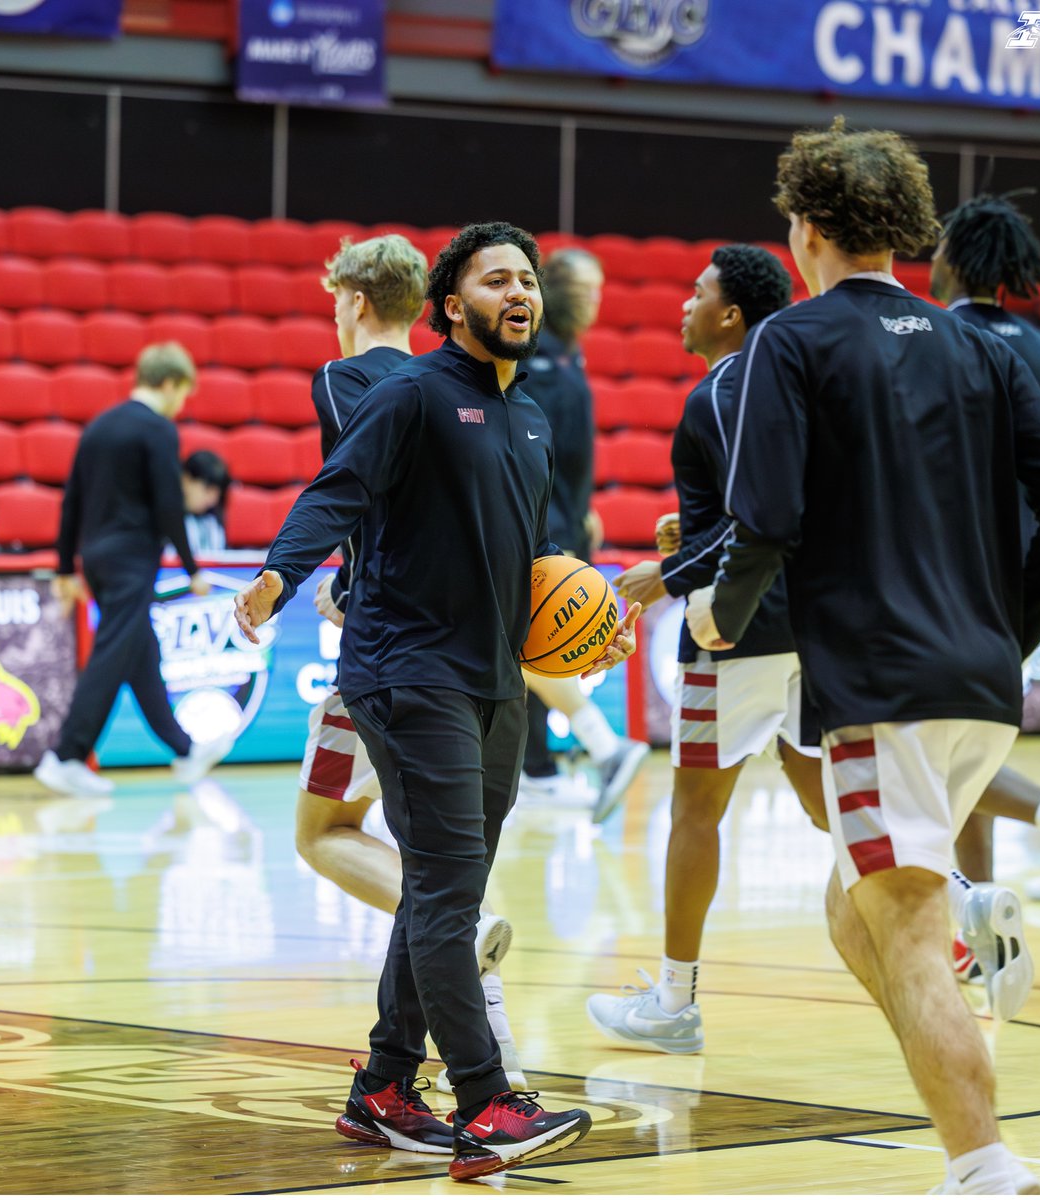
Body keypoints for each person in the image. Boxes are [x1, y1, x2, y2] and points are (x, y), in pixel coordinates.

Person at [686, 118, 1040, 1195]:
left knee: (901, 931)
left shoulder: (792, 341)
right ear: (899, 227)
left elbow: (763, 515)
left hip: (879, 687)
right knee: (849, 908)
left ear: (805, 228)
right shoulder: (977, 345)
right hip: (981, 688)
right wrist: (1014, 622)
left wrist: (723, 615)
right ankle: (958, 1008)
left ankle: (986, 1167)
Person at [234, 222, 639, 1181]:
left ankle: (381, 1087)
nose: (521, 293)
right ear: (452, 306)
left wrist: (595, 633)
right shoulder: (411, 393)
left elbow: (537, 568)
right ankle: (487, 1101)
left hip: (496, 679)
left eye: (529, 280)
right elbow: (339, 491)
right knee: (451, 895)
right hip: (407, 673)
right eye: (498, 280)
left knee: (436, 892)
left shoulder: (532, 417)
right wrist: (276, 577)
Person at [290, 233, 528, 1093]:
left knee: (324, 836)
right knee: (431, 863)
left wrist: (346, 580)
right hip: (469, 642)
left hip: (394, 646)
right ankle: (392, 1072)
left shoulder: (349, 379)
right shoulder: (474, 385)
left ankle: (460, 953)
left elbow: (364, 490)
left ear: (352, 299)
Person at [587, 244, 832, 1053]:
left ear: (730, 314)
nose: (683, 306)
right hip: (818, 625)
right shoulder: (802, 377)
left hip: (738, 627)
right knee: (826, 796)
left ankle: (674, 1002)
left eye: (697, 294)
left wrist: (669, 571)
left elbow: (754, 520)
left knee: (694, 811)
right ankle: (965, 902)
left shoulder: (727, 388)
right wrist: (687, 537)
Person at [929, 193, 1040, 912]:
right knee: (970, 747)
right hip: (1033, 588)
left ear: (950, 259)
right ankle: (979, 914)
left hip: (948, 583)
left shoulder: (935, 344)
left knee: (931, 759)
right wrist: (1036, 605)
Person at [35, 342, 235, 797]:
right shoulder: (157, 429)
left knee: (141, 653)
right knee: (113, 654)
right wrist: (190, 568)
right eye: (182, 394)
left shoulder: (99, 427)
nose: (181, 405)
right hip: (131, 559)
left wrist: (66, 566)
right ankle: (65, 756)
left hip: (97, 557)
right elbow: (169, 503)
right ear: (168, 384)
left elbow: (72, 501)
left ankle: (184, 751)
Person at [518, 247, 649, 822]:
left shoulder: (569, 358)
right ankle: (598, 748)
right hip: (542, 527)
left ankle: (540, 768)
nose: (597, 301)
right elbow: (533, 456)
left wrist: (584, 506)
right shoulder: (538, 361)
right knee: (526, 653)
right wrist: (554, 531)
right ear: (559, 291)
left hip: (564, 520)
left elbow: (567, 455)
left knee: (526, 652)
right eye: (587, 289)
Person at [181, 450, 230, 555]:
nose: (213, 500)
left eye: (218, 493)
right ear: (186, 480)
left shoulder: (214, 520)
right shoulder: (163, 519)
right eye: (207, 489)